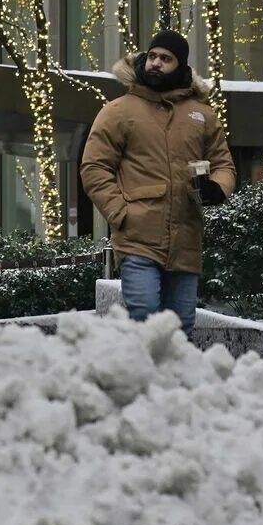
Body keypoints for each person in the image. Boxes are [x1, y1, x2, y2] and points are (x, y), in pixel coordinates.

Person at [79, 30, 236, 335]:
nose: (155, 63)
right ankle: (139, 380)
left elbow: (223, 164)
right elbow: (94, 167)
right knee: (145, 314)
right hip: (137, 237)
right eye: (152, 56)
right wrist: (120, 213)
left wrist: (217, 188)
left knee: (181, 326)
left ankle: (173, 382)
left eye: (166, 58)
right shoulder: (119, 111)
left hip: (186, 238)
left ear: (181, 66)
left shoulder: (202, 114)